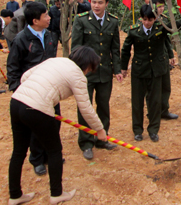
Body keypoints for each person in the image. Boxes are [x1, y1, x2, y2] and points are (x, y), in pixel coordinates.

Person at [8, 46, 107, 205]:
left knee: (19, 151)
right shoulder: (78, 76)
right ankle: (56, 194)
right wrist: (100, 130)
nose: (89, 72)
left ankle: (15, 195)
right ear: (88, 66)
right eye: (91, 68)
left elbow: (25, 76)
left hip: (17, 101)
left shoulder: (56, 60)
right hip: (37, 108)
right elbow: (86, 109)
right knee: (54, 151)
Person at [121, 4, 181, 142]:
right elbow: (125, 50)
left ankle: (153, 130)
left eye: (150, 20)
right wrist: (123, 68)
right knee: (137, 102)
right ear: (141, 18)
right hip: (139, 71)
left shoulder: (160, 28)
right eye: (145, 19)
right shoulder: (133, 31)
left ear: (155, 19)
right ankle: (138, 130)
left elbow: (174, 25)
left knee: (155, 102)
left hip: (156, 70)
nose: (147, 22)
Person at [71, 0, 122, 160]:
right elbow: (76, 48)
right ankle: (86, 143)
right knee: (85, 107)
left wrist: (118, 69)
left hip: (105, 72)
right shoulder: (81, 20)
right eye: (93, 2)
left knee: (103, 106)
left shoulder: (113, 22)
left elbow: (115, 48)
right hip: (85, 74)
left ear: (107, 3)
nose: (96, 5)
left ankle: (102, 138)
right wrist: (77, 71)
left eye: (100, 2)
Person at [7, 2, 56, 177]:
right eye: (45, 16)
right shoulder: (21, 39)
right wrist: (18, 91)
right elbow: (13, 67)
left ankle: (51, 155)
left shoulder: (50, 35)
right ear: (35, 20)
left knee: (53, 123)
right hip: (31, 93)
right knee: (36, 128)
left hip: (50, 90)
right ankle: (37, 159)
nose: (49, 18)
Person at [150, 0, 178, 120]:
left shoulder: (163, 20)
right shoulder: (147, 19)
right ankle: (153, 112)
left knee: (166, 86)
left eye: (162, 6)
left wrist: (171, 54)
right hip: (151, 59)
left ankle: (164, 110)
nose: (161, 9)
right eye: (159, 6)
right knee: (152, 89)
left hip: (163, 57)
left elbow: (166, 39)